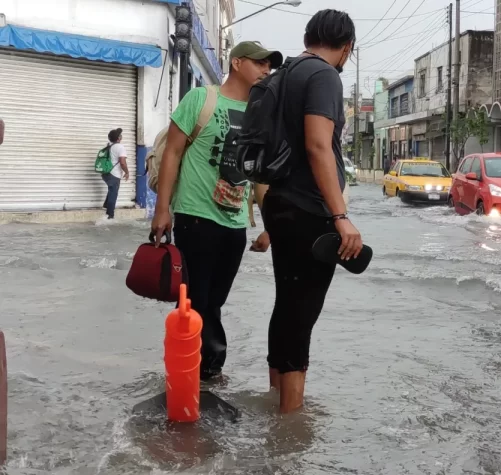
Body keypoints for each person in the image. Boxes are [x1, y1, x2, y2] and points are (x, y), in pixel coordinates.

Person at [151, 41, 282, 381]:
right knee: (196, 300)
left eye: (269, 66)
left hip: (235, 223)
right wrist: (162, 210)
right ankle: (200, 373)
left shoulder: (260, 116)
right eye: (260, 63)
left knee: (214, 302)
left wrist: (270, 228)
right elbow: (173, 154)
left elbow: (260, 179)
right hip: (196, 216)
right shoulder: (201, 99)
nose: (266, 70)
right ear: (237, 62)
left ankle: (200, 373)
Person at [259, 9, 362, 413]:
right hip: (309, 209)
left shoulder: (282, 74)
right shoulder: (323, 75)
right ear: (347, 48)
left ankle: (273, 401)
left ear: (308, 35)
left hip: (278, 202)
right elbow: (319, 145)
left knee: (287, 303)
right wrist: (340, 216)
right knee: (301, 312)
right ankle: (289, 423)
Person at [103, 128, 130, 220]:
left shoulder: (108, 146)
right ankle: (110, 216)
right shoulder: (120, 147)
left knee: (111, 190)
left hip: (106, 173)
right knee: (113, 193)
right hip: (114, 174)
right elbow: (122, 162)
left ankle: (106, 205)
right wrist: (127, 172)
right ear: (119, 138)